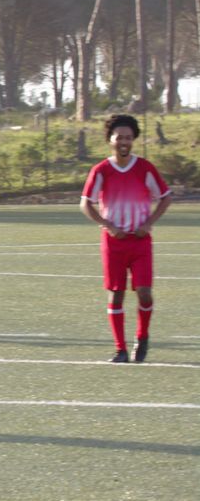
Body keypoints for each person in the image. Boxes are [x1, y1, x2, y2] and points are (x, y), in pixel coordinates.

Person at [80, 114, 172, 363]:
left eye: (128, 137)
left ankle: (142, 337)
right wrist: (108, 225)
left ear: (134, 140)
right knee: (116, 294)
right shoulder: (101, 170)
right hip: (113, 243)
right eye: (119, 137)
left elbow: (165, 197)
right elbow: (85, 204)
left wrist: (149, 223)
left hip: (140, 242)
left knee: (144, 293)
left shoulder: (145, 168)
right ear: (110, 139)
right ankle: (120, 349)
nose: (124, 141)